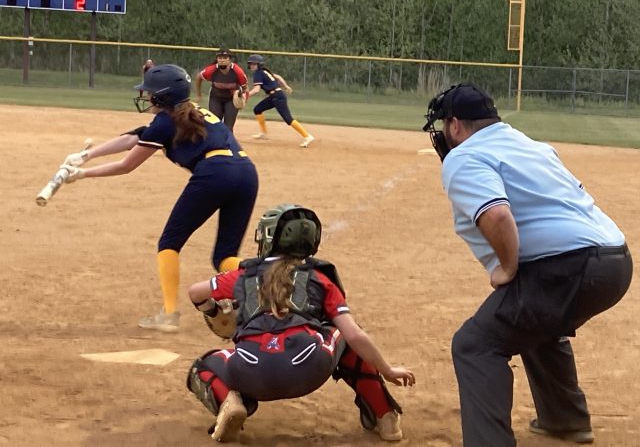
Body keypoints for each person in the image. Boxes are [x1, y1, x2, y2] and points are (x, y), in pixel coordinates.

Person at [422, 83, 633, 446]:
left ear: (456, 125)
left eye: (444, 125)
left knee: (474, 345)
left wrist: (507, 267)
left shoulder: (464, 156)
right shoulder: (528, 144)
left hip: (571, 266)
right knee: (533, 320)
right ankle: (564, 418)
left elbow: (498, 216)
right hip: (615, 260)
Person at [186, 203, 414, 442]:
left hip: (250, 371)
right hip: (309, 368)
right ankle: (385, 416)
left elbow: (195, 292)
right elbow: (355, 335)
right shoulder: (320, 279)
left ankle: (228, 404)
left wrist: (212, 310)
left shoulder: (242, 276)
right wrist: (388, 370)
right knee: (346, 334)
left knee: (202, 366)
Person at [61, 64, 259, 332]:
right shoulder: (191, 113)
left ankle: (169, 315)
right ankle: (267, 281)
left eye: (150, 93)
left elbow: (126, 165)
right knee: (224, 258)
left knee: (169, 242)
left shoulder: (165, 121)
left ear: (162, 97)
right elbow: (136, 137)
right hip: (247, 173)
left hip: (215, 173)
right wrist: (87, 154)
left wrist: (82, 174)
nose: (146, 96)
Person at [246, 54, 315, 148]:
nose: (252, 66)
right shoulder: (265, 71)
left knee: (288, 119)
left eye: (254, 64)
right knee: (257, 109)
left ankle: (307, 136)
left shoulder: (258, 73)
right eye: (251, 64)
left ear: (259, 64)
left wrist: (246, 95)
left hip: (277, 97)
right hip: (274, 96)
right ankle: (263, 133)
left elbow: (257, 89)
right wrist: (285, 86)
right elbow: (277, 77)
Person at [194, 47, 249, 132]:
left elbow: (245, 87)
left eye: (225, 58)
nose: (222, 60)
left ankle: (227, 144)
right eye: (220, 58)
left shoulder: (237, 71)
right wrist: (198, 94)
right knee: (214, 124)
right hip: (216, 98)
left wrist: (243, 98)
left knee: (228, 127)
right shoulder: (212, 70)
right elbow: (199, 77)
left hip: (231, 99)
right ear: (217, 59)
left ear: (230, 60)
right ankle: (214, 144)